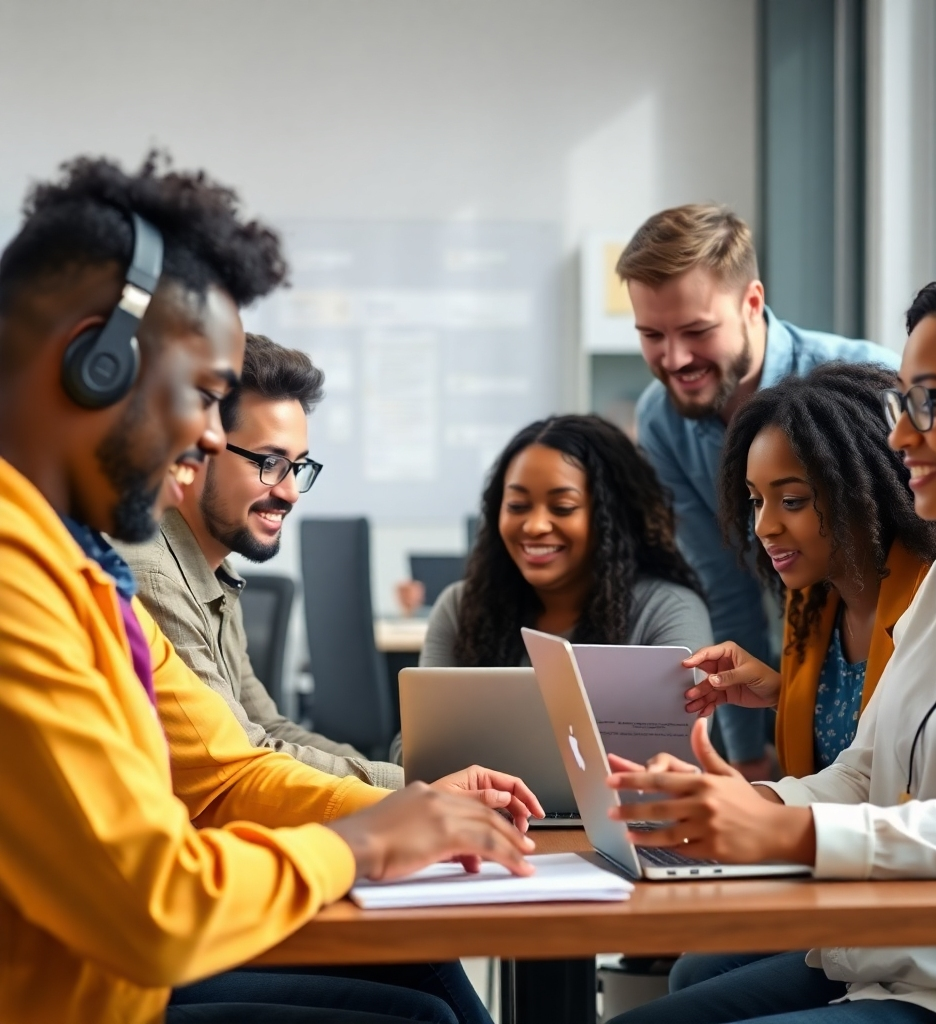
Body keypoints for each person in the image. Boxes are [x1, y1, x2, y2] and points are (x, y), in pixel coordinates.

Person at [0, 152, 539, 1024]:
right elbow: (153, 908)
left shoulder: (75, 565)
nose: (213, 439)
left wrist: (410, 808)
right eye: (206, 398)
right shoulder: (14, 580)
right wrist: (358, 842)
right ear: (94, 364)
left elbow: (222, 777)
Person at [604, 268, 936, 1024]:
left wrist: (782, 826)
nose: (900, 434)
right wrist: (741, 805)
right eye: (902, 402)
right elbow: (866, 771)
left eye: (929, 400)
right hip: (892, 958)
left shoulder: (930, 576)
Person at [664, 361, 936, 993]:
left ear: (864, 487)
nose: (764, 525)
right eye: (755, 500)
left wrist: (761, 811)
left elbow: (902, 765)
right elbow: (851, 753)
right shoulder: (813, 598)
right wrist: (778, 696)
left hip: (895, 907)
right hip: (832, 882)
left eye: (792, 500)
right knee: (691, 967)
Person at [618, 204, 900, 779]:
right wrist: (748, 760)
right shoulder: (663, 420)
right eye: (651, 335)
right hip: (813, 668)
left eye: (696, 331)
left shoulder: (867, 386)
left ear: (751, 302)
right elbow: (726, 587)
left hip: (901, 660)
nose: (674, 359)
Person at [118, 332, 402, 789]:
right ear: (196, 450)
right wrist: (415, 789)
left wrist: (418, 782)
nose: (289, 491)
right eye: (269, 463)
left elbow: (271, 728)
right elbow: (245, 757)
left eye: (298, 466)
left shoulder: (216, 575)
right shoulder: (149, 576)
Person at [421, 414, 712, 666]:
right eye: (517, 506)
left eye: (563, 508)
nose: (534, 526)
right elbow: (419, 731)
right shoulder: (462, 608)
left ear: (613, 517)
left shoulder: (666, 612)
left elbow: (684, 731)